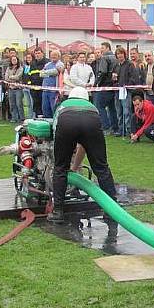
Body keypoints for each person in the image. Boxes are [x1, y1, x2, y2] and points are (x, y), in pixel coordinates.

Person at [47, 86, 118, 223]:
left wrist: (67, 163)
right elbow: (85, 146)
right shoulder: (92, 107)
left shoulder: (62, 106)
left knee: (60, 168)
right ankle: (112, 210)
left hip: (66, 122)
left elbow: (55, 134)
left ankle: (58, 211)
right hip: (92, 121)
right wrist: (75, 167)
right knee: (101, 168)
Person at [114, 46, 139, 136]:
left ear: (124, 54)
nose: (119, 55)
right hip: (117, 91)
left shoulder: (129, 64)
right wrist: (114, 82)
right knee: (119, 112)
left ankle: (128, 130)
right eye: (118, 54)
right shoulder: (116, 65)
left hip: (126, 91)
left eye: (121, 53)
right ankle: (121, 130)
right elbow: (113, 78)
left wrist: (127, 85)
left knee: (126, 112)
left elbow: (133, 77)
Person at [94, 42, 118, 133]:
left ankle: (105, 127)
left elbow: (102, 72)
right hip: (114, 86)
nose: (101, 50)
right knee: (112, 108)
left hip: (105, 86)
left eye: (102, 48)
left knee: (100, 106)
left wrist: (97, 84)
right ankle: (115, 127)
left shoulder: (104, 58)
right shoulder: (116, 58)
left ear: (108, 48)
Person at [39, 50, 64, 118]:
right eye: (52, 55)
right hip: (45, 90)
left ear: (59, 56)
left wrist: (46, 73)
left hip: (54, 91)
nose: (53, 56)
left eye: (55, 55)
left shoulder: (60, 64)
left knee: (54, 108)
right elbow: (41, 74)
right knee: (45, 108)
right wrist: (49, 73)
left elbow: (56, 72)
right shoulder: (47, 64)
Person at [3, 55, 24, 123]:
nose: (14, 61)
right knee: (12, 104)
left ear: (17, 60)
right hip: (10, 89)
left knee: (19, 104)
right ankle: (14, 118)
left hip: (18, 89)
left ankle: (21, 118)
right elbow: (6, 78)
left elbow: (18, 77)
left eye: (15, 60)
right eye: (12, 60)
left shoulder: (20, 68)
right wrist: (11, 77)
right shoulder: (8, 68)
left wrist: (10, 77)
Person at [28, 48, 47, 116]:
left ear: (42, 53)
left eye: (39, 53)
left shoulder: (47, 62)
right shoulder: (32, 64)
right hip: (34, 89)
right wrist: (30, 87)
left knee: (44, 105)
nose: (37, 55)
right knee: (36, 105)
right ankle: (37, 118)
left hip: (44, 89)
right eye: (36, 53)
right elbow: (29, 75)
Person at [22, 51, 35, 118]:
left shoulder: (34, 66)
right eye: (27, 58)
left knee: (32, 103)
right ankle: (29, 117)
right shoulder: (25, 67)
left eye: (30, 57)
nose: (28, 59)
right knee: (28, 104)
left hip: (31, 87)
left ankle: (33, 117)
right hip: (25, 86)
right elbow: (23, 76)